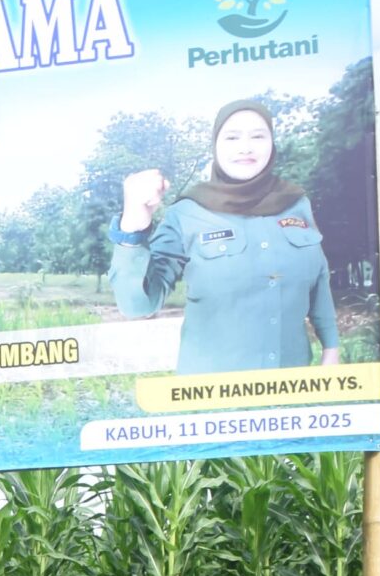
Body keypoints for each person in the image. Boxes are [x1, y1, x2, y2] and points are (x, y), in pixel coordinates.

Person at [111, 98, 341, 374]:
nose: (245, 147)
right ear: (216, 147)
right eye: (232, 137)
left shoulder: (296, 203)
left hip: (292, 389)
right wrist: (133, 225)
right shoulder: (186, 213)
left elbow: (318, 278)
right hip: (211, 398)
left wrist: (332, 348)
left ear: (271, 143)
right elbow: (138, 305)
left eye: (258, 136)